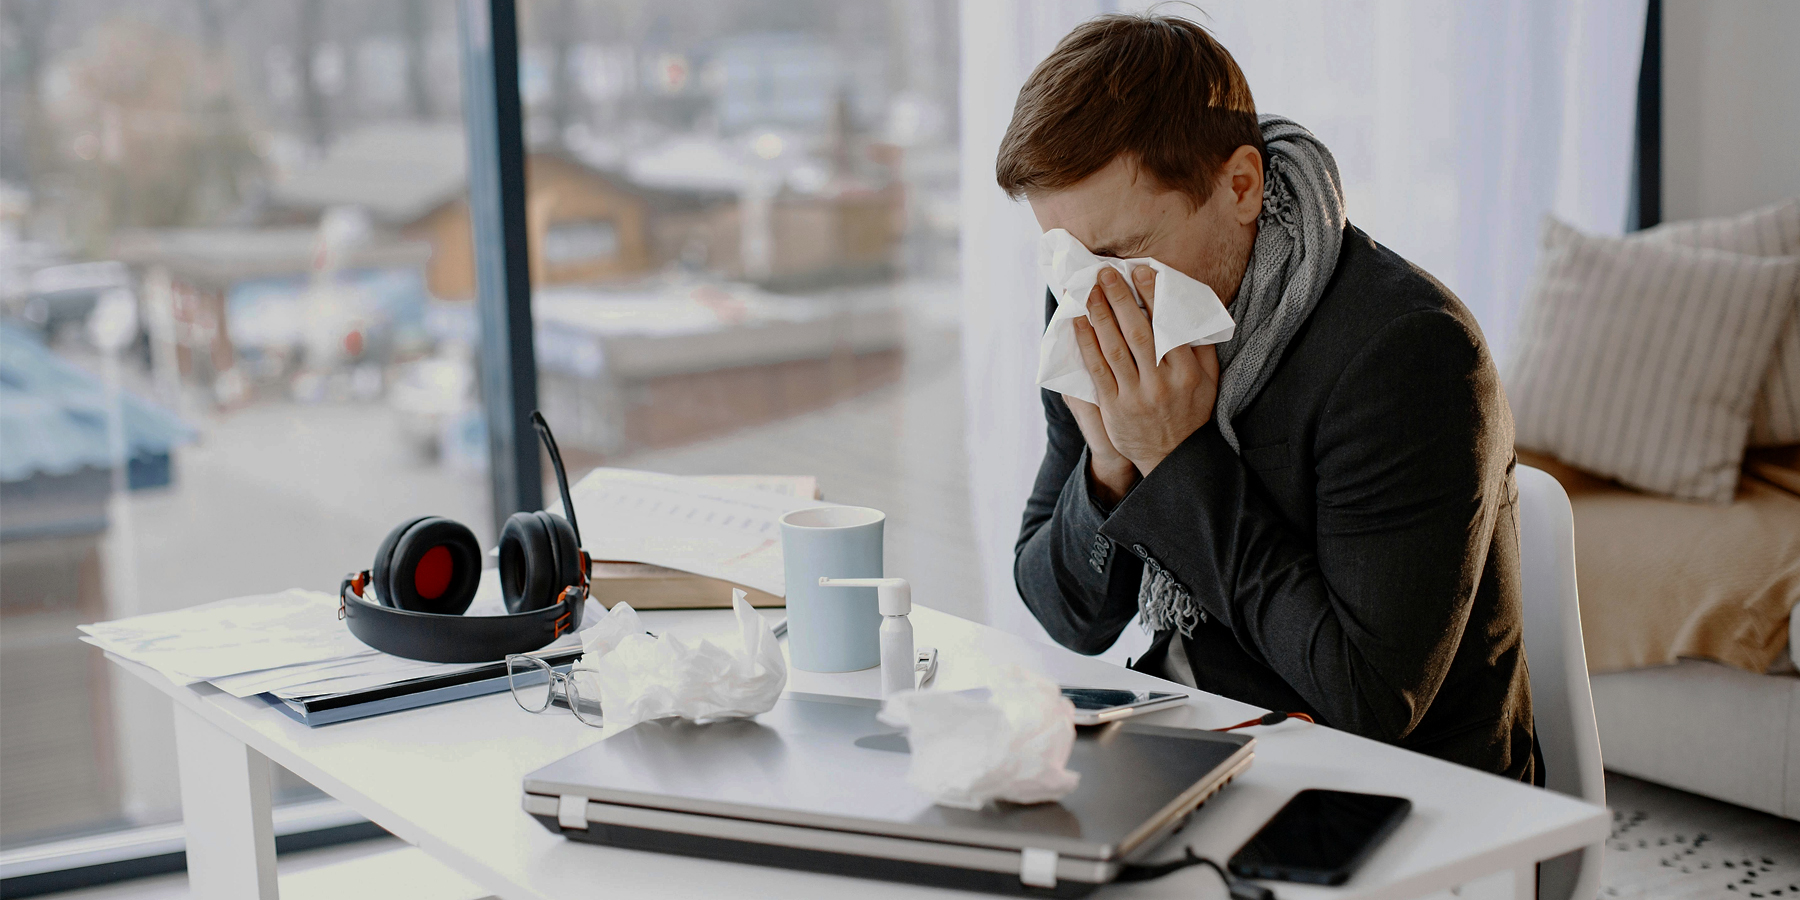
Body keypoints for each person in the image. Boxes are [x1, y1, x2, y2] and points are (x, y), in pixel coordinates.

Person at [1005, 13, 1536, 782]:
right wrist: (1109, 464)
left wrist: (1176, 460)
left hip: (1398, 790)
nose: (1093, 289)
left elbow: (1372, 701)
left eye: (1122, 251)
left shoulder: (1407, 353)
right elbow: (1070, 619)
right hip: (1184, 737)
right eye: (1066, 253)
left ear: (1241, 187)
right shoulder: (1090, 296)